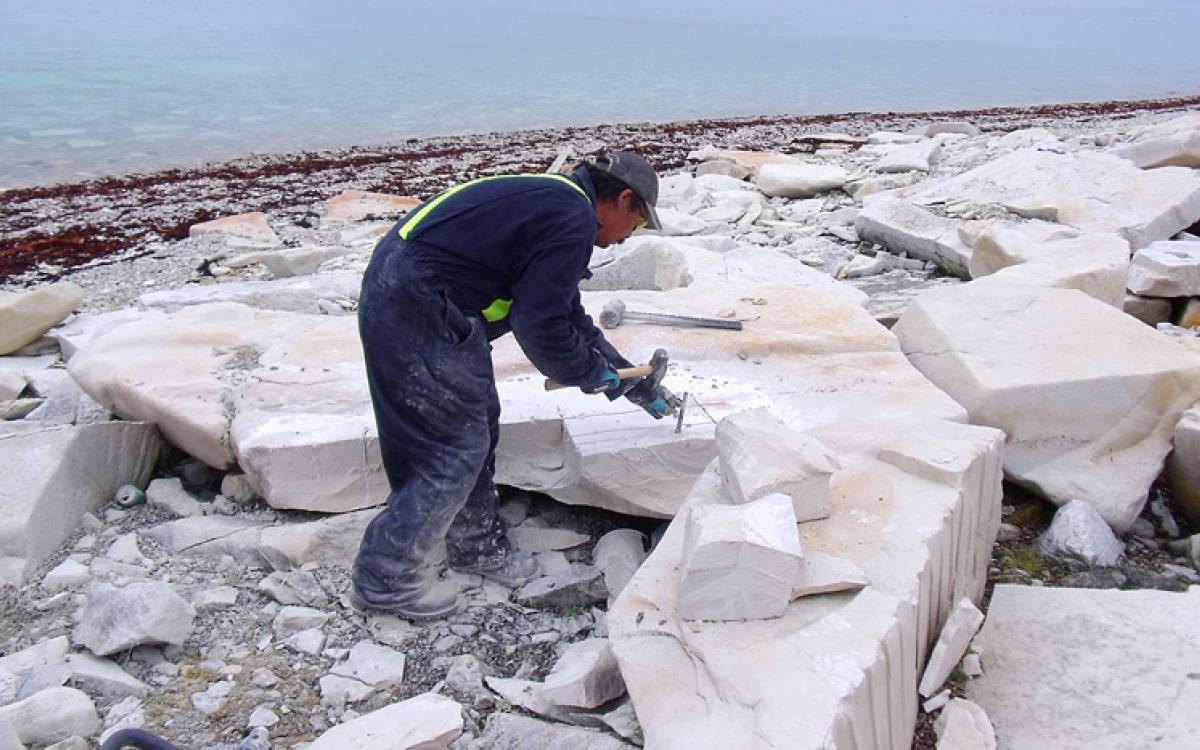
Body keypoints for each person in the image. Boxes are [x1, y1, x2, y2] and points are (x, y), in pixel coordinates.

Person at [349, 151, 673, 619]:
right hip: (417, 303)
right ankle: (385, 577)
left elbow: (564, 312)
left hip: (419, 294)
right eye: (637, 225)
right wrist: (586, 372)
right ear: (622, 200)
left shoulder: (559, 203)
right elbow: (540, 325)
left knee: (476, 421)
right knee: (453, 445)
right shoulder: (571, 219)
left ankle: (477, 546)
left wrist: (626, 378)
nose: (625, 239)